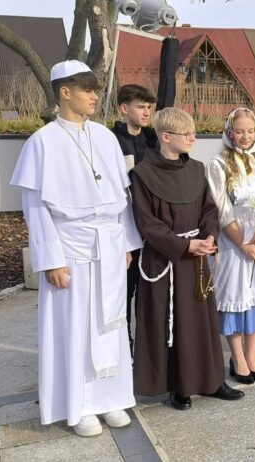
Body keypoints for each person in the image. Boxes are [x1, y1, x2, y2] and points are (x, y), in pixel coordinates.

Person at [11, 60, 142, 436]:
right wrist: (50, 259)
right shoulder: (42, 142)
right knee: (76, 326)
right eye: (86, 89)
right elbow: (35, 207)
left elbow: (122, 195)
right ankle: (81, 405)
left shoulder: (104, 137)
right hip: (70, 248)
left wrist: (127, 241)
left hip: (109, 244)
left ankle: (112, 398)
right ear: (64, 92)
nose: (94, 95)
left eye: (95, 88)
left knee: (111, 322)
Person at [130, 107, 243, 411]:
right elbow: (147, 223)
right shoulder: (141, 174)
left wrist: (208, 237)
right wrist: (184, 246)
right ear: (166, 137)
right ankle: (178, 386)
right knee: (173, 323)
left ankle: (211, 380)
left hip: (196, 257)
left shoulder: (196, 169)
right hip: (166, 261)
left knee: (202, 322)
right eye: (187, 134)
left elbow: (209, 209)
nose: (194, 138)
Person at [206, 108, 255, 384]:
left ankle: (252, 354)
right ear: (229, 131)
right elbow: (221, 208)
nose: (245, 136)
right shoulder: (218, 163)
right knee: (237, 298)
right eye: (239, 131)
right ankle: (237, 356)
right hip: (234, 242)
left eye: (250, 131)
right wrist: (243, 243)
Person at [110, 83, 158, 355]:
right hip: (123, 228)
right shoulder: (110, 141)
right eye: (141, 107)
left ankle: (148, 346)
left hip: (151, 227)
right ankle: (123, 346)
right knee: (124, 292)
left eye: (149, 107)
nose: (146, 112)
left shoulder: (153, 138)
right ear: (123, 108)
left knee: (149, 293)